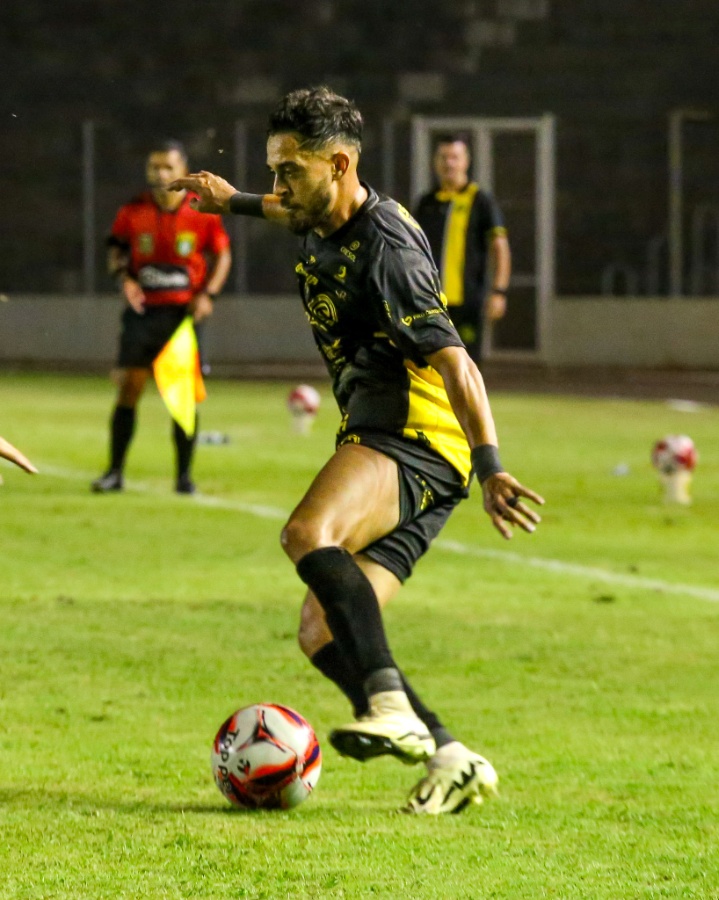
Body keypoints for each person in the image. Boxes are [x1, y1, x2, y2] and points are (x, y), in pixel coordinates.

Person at [170, 87, 544, 814]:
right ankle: (449, 754)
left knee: (307, 532)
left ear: (338, 164)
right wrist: (232, 201)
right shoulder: (320, 209)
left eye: (290, 172)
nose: (279, 186)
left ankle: (389, 707)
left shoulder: (387, 249)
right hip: (392, 442)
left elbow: (456, 362)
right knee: (320, 629)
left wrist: (492, 461)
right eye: (273, 171)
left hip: (414, 440)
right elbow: (284, 210)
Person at [91, 140, 232, 495]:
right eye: (155, 167)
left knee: (182, 397)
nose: (161, 174)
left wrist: (208, 295)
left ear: (183, 170)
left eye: (168, 167)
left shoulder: (201, 210)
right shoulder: (132, 210)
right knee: (129, 388)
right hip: (142, 315)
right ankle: (114, 472)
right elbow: (115, 250)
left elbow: (223, 255)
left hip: (181, 317)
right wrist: (124, 279)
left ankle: (184, 478)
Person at [413, 134, 511, 364]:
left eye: (455, 157)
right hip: (430, 302)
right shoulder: (426, 203)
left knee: (467, 365)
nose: (449, 163)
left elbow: (500, 247)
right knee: (428, 366)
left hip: (468, 303)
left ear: (466, 162)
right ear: (435, 162)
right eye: (443, 157)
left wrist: (499, 291)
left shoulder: (480, 200)